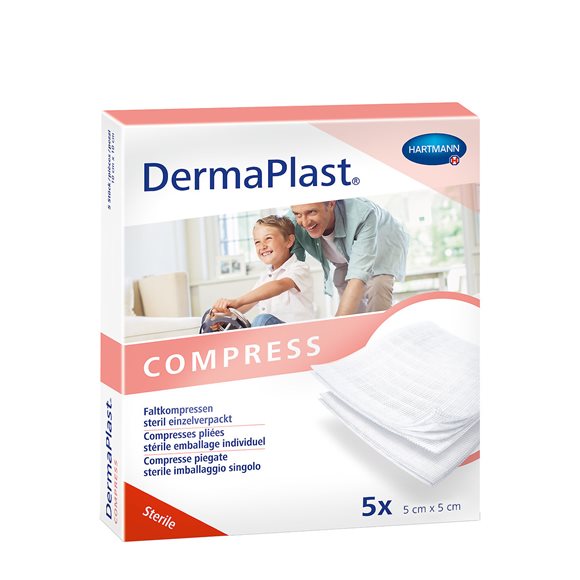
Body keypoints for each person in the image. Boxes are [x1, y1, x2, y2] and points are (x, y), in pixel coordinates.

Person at [289, 198, 409, 316]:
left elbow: (358, 276)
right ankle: (357, 325)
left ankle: (377, 325)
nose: (305, 222)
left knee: (378, 285)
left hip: (383, 238)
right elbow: (290, 265)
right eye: (298, 214)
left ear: (331, 204)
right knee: (341, 279)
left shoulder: (361, 214)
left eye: (312, 212)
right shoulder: (290, 222)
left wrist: (337, 324)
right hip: (344, 247)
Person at [212, 215, 315, 326]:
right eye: (257, 242)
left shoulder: (299, 268)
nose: (262, 246)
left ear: (289, 241)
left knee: (262, 320)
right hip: (273, 333)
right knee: (235, 324)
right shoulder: (265, 277)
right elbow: (247, 303)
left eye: (268, 238)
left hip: (297, 331)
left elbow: (279, 285)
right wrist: (226, 315)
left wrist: (237, 301)